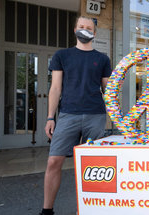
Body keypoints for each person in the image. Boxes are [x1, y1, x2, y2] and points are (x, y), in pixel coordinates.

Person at [40, 16, 112, 215]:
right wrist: (50, 117)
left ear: (94, 33)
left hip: (95, 115)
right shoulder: (62, 55)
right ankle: (47, 210)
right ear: (75, 30)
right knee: (54, 161)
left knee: (94, 166)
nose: (85, 30)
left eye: (89, 28)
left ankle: (94, 209)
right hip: (68, 114)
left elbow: (108, 90)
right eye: (81, 27)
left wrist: (117, 108)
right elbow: (55, 88)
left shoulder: (103, 59)